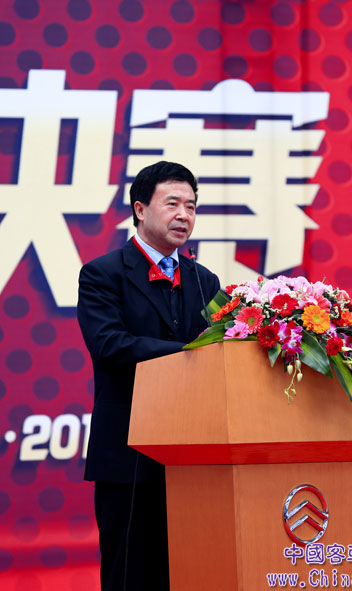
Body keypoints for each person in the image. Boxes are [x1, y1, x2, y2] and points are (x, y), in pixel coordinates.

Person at [77, 161, 220, 591]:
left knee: (191, 572)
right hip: (129, 452)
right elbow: (111, 345)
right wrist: (190, 353)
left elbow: (224, 348)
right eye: (172, 203)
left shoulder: (204, 280)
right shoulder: (102, 274)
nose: (183, 215)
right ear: (140, 210)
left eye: (191, 207)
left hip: (194, 454)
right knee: (130, 574)